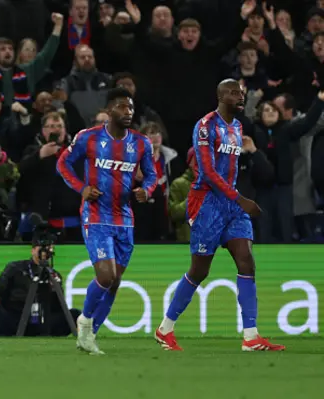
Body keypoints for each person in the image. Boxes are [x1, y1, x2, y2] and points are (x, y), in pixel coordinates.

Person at [156, 79, 285, 352]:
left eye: (242, 92)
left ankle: (250, 336)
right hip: (206, 204)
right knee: (199, 270)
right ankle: (165, 328)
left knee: (246, 261)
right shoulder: (205, 126)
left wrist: (236, 200)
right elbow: (208, 172)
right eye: (235, 93)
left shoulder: (237, 127)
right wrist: (241, 199)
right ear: (222, 96)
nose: (241, 97)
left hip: (231, 205)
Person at [56, 87, 157, 355]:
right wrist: (82, 189)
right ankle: (85, 321)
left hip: (124, 219)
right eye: (123, 107)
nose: (129, 112)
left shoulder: (141, 143)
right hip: (96, 215)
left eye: (131, 108)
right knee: (106, 275)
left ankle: (90, 336)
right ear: (110, 110)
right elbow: (63, 165)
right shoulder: (88, 138)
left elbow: (151, 175)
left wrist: (146, 191)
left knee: (115, 281)